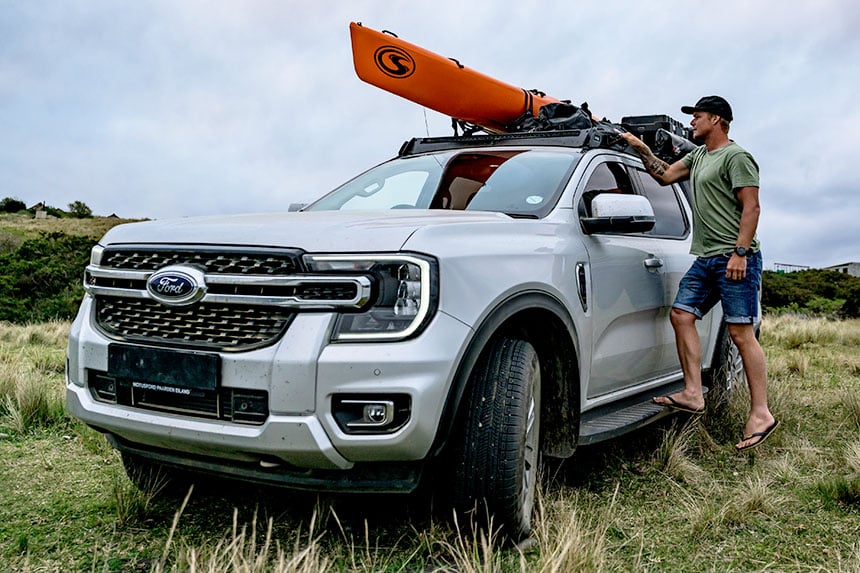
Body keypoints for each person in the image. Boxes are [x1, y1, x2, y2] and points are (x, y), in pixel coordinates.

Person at [619, 95, 778, 452]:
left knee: (740, 333)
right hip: (706, 258)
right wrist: (640, 146)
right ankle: (693, 392)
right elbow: (664, 175)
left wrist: (739, 253)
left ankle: (761, 413)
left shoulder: (737, 157)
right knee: (681, 315)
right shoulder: (699, 156)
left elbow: (751, 207)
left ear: (718, 120)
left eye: (698, 116)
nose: (692, 122)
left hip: (736, 259)